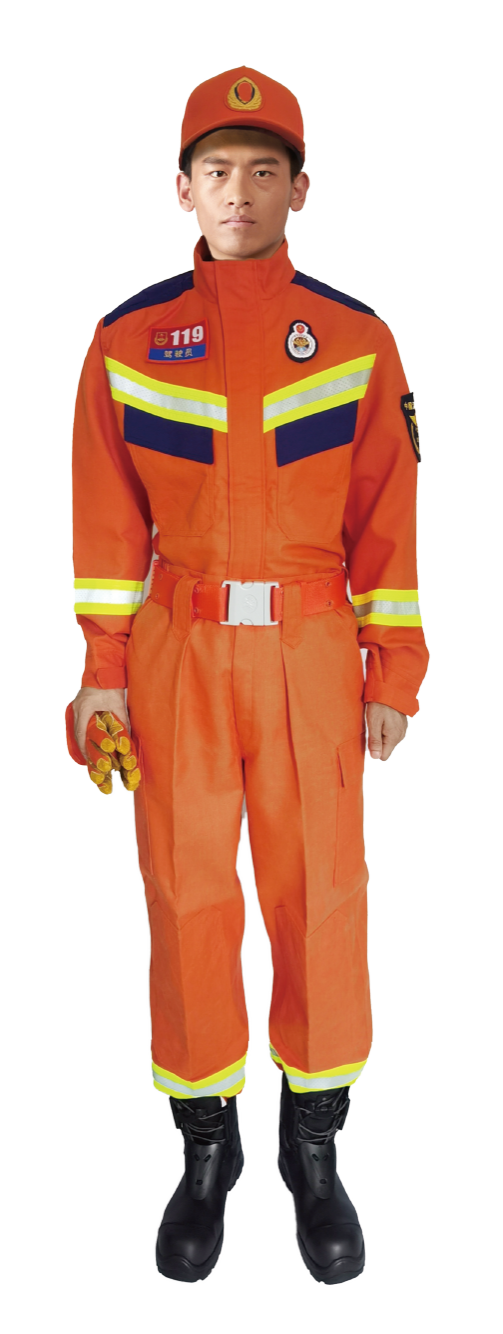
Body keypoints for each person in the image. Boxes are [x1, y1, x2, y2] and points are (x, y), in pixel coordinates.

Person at [65, 65, 430, 1287]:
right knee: (184, 892)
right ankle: (204, 1150)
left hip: (313, 651)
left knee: (322, 890)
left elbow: (388, 518)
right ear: (181, 188)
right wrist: (100, 673)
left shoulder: (358, 338)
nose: (239, 190)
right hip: (176, 646)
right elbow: (105, 524)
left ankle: (312, 1151)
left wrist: (394, 671)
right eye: (215, 169)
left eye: (263, 170)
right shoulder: (122, 340)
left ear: (300, 188)